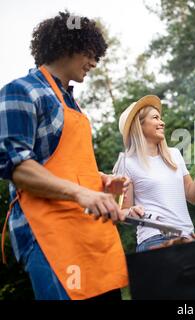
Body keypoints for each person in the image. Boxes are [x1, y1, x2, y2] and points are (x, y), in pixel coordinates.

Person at [0, 12, 129, 300]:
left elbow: (62, 166)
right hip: (50, 234)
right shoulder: (21, 91)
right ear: (68, 45)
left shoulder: (71, 102)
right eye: (91, 53)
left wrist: (100, 182)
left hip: (90, 235)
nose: (95, 62)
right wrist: (81, 194)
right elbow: (17, 166)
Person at [113, 95, 195, 251]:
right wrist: (130, 212)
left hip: (187, 236)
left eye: (160, 118)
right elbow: (122, 211)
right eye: (155, 118)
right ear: (140, 125)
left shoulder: (174, 154)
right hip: (154, 239)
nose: (162, 122)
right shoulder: (126, 163)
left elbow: (192, 196)